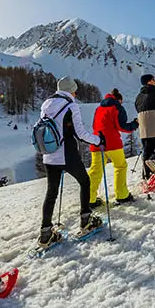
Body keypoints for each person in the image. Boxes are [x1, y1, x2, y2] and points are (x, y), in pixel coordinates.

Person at [38, 76, 105, 247]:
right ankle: (86, 220)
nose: (76, 93)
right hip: (66, 153)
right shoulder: (71, 105)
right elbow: (80, 133)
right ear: (71, 90)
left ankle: (46, 233)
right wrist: (98, 140)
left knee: (51, 192)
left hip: (49, 154)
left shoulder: (46, 103)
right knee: (84, 182)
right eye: (75, 90)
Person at [88, 88, 139, 206]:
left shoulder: (98, 108)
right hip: (112, 143)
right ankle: (122, 195)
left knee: (95, 171)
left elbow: (94, 125)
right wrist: (135, 124)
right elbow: (122, 127)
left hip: (96, 142)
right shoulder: (117, 107)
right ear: (119, 100)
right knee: (120, 167)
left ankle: (90, 199)